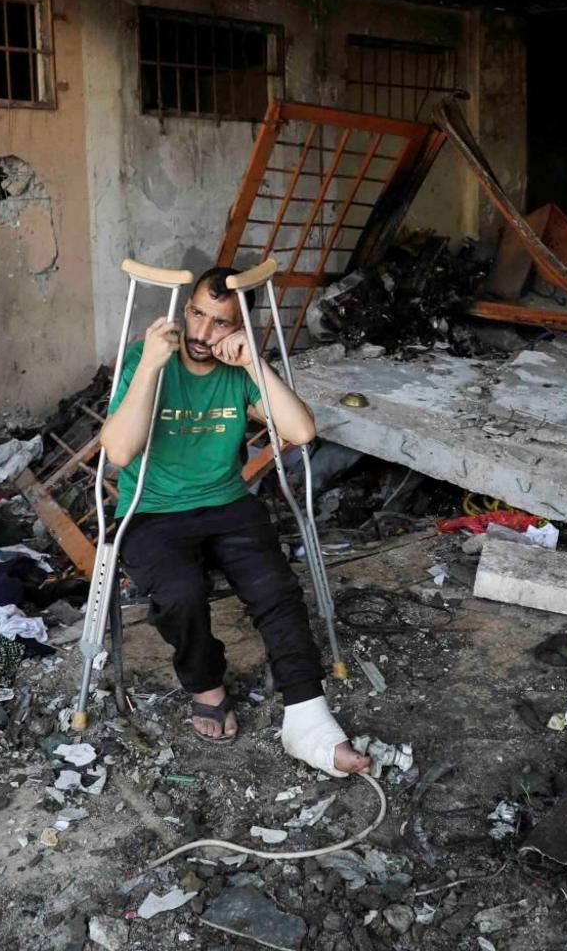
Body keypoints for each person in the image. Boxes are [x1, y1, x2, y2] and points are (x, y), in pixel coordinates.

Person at [97, 266, 370, 778]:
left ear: (240, 327)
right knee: (179, 592)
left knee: (275, 587)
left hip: (226, 504)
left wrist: (256, 366)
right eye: (197, 314)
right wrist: (152, 366)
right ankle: (206, 683)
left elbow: (301, 431)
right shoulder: (146, 358)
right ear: (185, 310)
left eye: (220, 323)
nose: (202, 334)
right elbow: (118, 450)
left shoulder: (239, 369)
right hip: (152, 510)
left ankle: (307, 716)